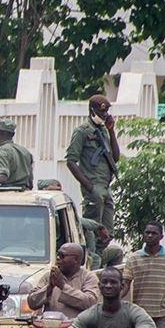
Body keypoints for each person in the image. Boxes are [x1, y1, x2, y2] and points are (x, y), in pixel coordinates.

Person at [66, 95, 120, 252]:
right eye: (102, 112)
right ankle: (91, 257)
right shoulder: (82, 131)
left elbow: (115, 157)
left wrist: (112, 131)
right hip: (94, 187)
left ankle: (98, 256)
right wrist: (89, 186)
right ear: (92, 110)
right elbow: (71, 161)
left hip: (105, 187)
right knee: (92, 231)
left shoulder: (103, 130)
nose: (105, 115)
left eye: (107, 112)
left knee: (108, 232)